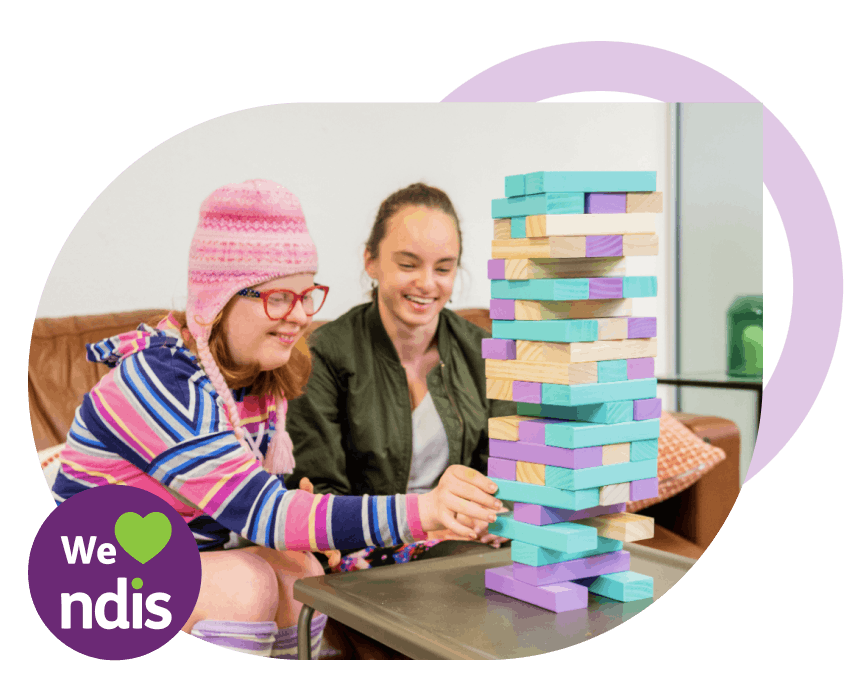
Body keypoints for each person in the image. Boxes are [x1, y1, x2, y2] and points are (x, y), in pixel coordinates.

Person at [49, 180, 504, 659]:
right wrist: (425, 512)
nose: (299, 316)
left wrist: (303, 524)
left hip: (180, 558)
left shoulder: (258, 379)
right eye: (277, 297)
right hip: (90, 576)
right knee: (246, 585)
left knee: (298, 574)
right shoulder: (163, 382)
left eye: (306, 295)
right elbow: (267, 513)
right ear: (217, 299)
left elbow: (262, 508)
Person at [286, 183, 515, 572]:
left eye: (443, 268)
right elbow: (320, 497)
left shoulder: (485, 350)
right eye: (408, 264)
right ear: (371, 261)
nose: (427, 283)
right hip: (366, 544)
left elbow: (507, 469)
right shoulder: (322, 354)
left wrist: (483, 515)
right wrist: (426, 524)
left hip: (465, 539)